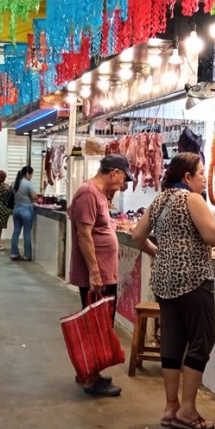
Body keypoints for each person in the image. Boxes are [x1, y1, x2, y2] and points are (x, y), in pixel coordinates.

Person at [132, 152, 215, 429]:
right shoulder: (192, 199)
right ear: (187, 177)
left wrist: (159, 253)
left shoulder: (161, 199)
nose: (204, 178)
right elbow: (213, 235)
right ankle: (188, 410)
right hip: (192, 281)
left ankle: (171, 407)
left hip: (164, 282)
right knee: (202, 341)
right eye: (201, 173)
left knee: (173, 342)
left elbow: (137, 236)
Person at [67, 154, 132, 397]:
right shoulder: (89, 192)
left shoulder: (97, 194)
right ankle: (91, 381)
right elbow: (84, 234)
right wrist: (95, 273)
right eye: (122, 178)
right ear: (114, 172)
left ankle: (88, 372)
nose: (122, 183)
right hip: (98, 276)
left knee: (99, 325)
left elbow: (75, 216)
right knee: (98, 326)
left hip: (104, 273)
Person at [9, 166, 38, 261]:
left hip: (16, 209)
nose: (32, 176)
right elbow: (34, 196)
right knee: (26, 233)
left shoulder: (14, 183)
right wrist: (36, 196)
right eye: (31, 174)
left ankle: (14, 254)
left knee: (16, 232)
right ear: (27, 174)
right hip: (26, 210)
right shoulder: (28, 184)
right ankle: (27, 255)